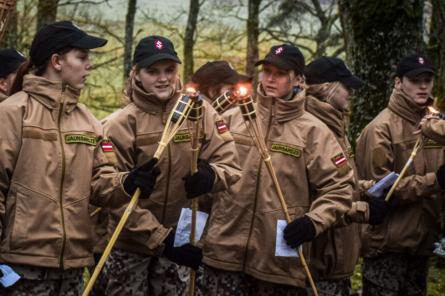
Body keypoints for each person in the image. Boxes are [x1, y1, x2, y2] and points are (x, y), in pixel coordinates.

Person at [0, 21, 158, 295]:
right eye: (82, 57)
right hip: (20, 268)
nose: (89, 65)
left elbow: (100, 184)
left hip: (74, 269)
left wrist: (127, 183)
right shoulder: (12, 114)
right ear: (57, 61)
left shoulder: (88, 122)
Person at [200, 44, 354, 295]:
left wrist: (312, 222)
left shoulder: (314, 132)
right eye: (267, 71)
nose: (271, 78)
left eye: (280, 73)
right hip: (223, 252)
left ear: (298, 79)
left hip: (279, 261)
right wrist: (191, 235)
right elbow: (202, 178)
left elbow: (340, 187)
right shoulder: (231, 118)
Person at [102, 35, 241, 296]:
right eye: (152, 71)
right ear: (136, 74)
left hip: (183, 240)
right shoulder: (120, 123)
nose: (163, 78)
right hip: (131, 246)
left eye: (169, 70)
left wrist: (210, 176)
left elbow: (230, 163)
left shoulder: (200, 112)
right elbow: (109, 193)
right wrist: (160, 238)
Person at [355, 54, 445, 296]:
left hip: (424, 245)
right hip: (387, 248)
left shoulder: (437, 128)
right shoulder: (379, 129)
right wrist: (435, 182)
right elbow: (379, 191)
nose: (423, 86)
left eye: (428, 79)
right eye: (415, 80)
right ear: (398, 82)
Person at [304, 56, 389, 296]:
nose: (351, 93)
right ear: (327, 88)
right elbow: (311, 195)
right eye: (347, 87)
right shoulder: (312, 128)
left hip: (338, 262)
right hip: (319, 265)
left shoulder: (336, 124)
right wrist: (361, 211)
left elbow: (338, 180)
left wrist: (365, 188)